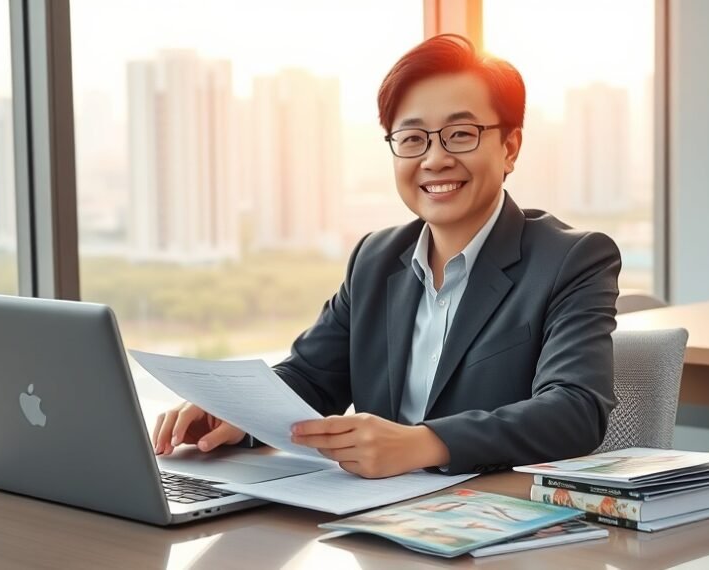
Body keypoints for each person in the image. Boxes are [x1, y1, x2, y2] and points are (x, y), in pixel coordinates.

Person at [152, 34, 621, 478]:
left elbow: (574, 410)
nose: (434, 159)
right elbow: (312, 379)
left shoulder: (572, 260)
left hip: (496, 529)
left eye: (461, 134)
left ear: (510, 148)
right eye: (413, 139)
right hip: (373, 523)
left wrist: (424, 443)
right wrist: (236, 413)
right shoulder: (375, 258)